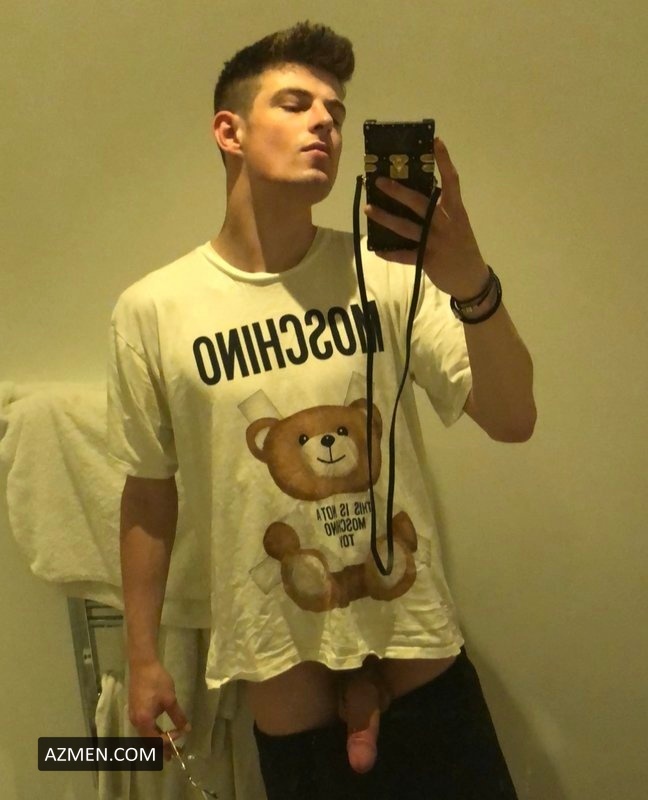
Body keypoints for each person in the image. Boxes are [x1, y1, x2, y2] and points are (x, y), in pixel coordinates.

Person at [107, 20, 536, 800]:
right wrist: (142, 658)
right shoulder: (153, 310)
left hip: (410, 638)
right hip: (280, 654)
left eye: (336, 113)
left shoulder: (388, 272)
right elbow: (148, 491)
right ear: (229, 131)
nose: (325, 125)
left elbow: (513, 418)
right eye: (296, 104)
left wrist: (471, 278)